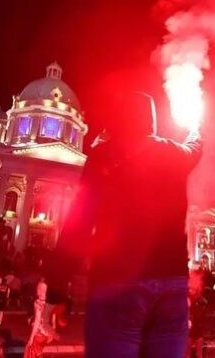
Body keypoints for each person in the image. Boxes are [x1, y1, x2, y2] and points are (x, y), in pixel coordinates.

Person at [52, 91, 202, 358]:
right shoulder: (173, 153)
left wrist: (59, 288)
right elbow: (195, 147)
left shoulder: (102, 156)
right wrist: (196, 126)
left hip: (117, 284)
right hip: (170, 288)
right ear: (151, 121)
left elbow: (80, 221)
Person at [24, 280, 57, 358]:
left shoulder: (37, 303)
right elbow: (53, 317)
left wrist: (31, 337)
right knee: (38, 352)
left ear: (38, 290)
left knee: (30, 351)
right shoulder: (50, 302)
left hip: (39, 334)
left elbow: (37, 321)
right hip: (47, 335)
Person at [185, 289, 207, 358]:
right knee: (190, 352)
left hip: (196, 328)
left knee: (196, 352)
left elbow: (205, 303)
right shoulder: (189, 301)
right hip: (192, 328)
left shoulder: (200, 302)